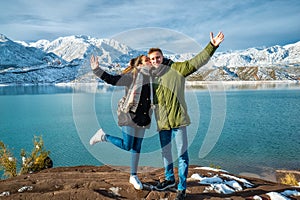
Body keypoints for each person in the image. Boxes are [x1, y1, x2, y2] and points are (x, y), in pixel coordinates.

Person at [148, 32, 224, 200]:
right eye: (152, 59)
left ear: (162, 57)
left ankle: (182, 187)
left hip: (178, 121)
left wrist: (212, 46)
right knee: (166, 153)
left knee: (182, 155)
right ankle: (169, 179)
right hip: (162, 122)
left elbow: (196, 62)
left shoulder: (177, 69)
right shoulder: (152, 76)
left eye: (157, 57)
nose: (155, 61)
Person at [89, 54, 153, 190]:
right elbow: (113, 80)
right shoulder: (132, 76)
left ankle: (133, 176)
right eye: (147, 60)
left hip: (143, 117)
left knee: (137, 147)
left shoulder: (152, 78)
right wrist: (97, 70)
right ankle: (103, 136)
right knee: (127, 145)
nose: (150, 61)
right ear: (140, 65)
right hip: (129, 115)